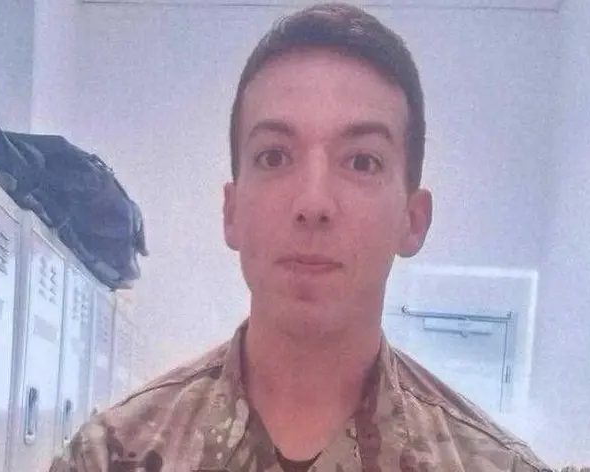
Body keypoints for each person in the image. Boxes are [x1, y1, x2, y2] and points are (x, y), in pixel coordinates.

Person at [49, 3, 550, 471]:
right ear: (231, 212)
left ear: (412, 219)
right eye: (275, 157)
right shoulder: (110, 457)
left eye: (361, 162)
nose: (313, 203)